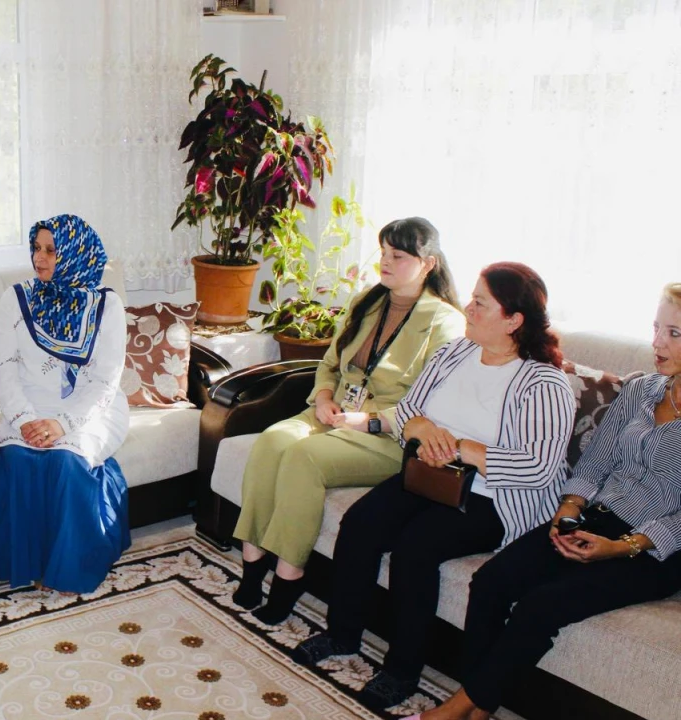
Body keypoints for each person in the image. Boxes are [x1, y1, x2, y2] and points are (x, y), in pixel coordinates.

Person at [290, 263, 575, 713]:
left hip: (494, 499)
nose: (468, 308)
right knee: (362, 522)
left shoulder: (543, 382)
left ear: (513, 320)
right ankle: (342, 634)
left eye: (480, 303)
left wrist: (463, 448)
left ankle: (402, 671)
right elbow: (407, 412)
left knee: (416, 548)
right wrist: (422, 429)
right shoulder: (456, 352)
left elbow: (538, 468)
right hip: (428, 475)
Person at [410, 283, 681, 720]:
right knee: (491, 581)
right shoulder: (641, 390)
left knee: (541, 606)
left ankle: (454, 711)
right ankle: (479, 709)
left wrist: (622, 546)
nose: (657, 343)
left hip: (654, 550)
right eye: (656, 329)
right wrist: (568, 509)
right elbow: (597, 460)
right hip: (594, 516)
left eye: (673, 333)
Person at [232, 217, 465, 624]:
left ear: (428, 264)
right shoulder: (366, 302)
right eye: (384, 252)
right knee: (272, 441)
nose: (385, 261)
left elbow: (432, 401)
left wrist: (368, 421)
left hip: (387, 434)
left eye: (398, 255)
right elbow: (329, 364)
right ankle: (252, 565)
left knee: (304, 457)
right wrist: (324, 398)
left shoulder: (445, 321)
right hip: (334, 412)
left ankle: (289, 576)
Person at [0, 214, 130, 594]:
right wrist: (25, 419)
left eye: (51, 250)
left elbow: (105, 381)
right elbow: (3, 369)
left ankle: (70, 567)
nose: (40, 258)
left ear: (75, 254)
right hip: (29, 405)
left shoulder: (106, 307)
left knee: (66, 460)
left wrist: (62, 424)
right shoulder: (16, 299)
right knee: (17, 456)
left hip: (93, 407)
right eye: (36, 248)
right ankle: (33, 564)